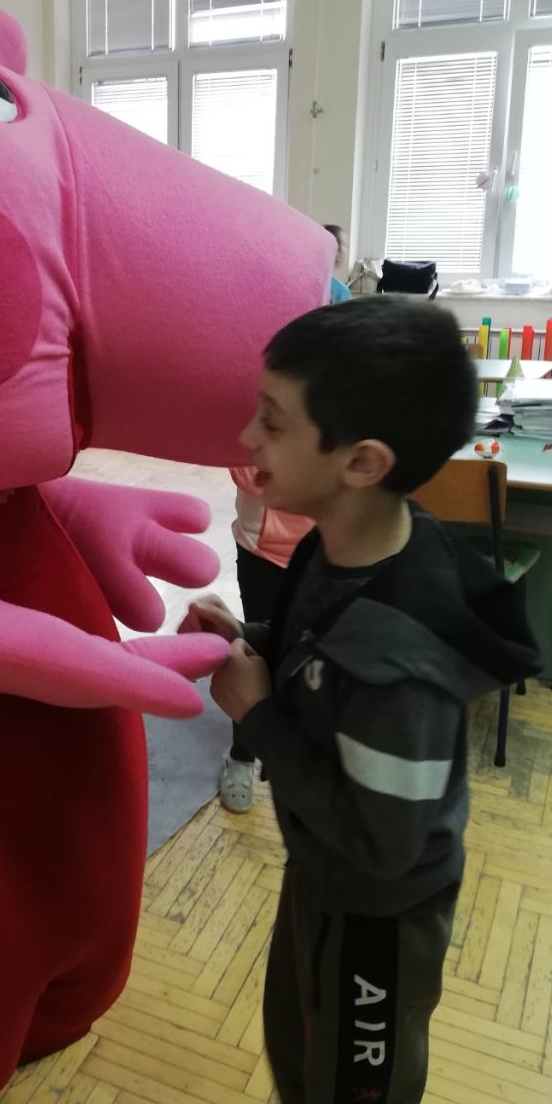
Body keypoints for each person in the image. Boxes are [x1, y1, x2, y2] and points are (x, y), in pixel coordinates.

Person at [183, 294, 540, 1104]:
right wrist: (252, 637)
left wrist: (259, 717)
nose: (247, 436)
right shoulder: (338, 543)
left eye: (273, 421)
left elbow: (383, 845)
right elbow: (317, 645)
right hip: (323, 875)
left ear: (362, 461)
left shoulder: (398, 669)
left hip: (374, 917)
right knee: (302, 1067)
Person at [219, 221, 351, 813]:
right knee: (259, 650)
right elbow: (243, 455)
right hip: (265, 547)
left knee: (306, 652)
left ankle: (290, 740)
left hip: (322, 543)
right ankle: (242, 753)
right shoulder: (257, 363)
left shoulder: (337, 367)